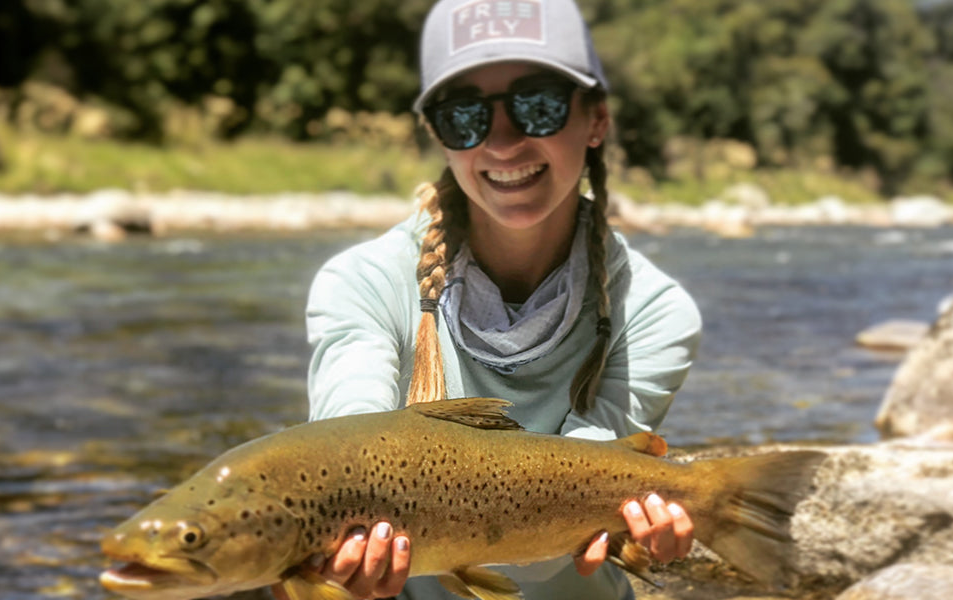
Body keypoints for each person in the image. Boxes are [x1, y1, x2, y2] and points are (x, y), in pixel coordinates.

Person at [284, 0, 702, 597]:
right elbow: (350, 449)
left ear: (597, 120)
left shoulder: (654, 310)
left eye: (539, 106)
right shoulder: (361, 282)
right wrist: (347, 554)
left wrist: (631, 516)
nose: (503, 142)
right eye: (464, 116)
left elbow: (553, 535)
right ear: (437, 134)